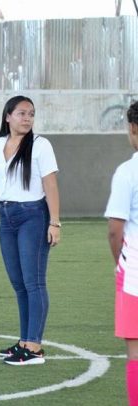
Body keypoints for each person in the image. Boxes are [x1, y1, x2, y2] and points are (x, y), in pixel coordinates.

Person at [0, 95, 60, 366]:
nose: (27, 119)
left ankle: (34, 347)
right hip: (7, 217)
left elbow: (51, 185)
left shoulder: (40, 145)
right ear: (8, 116)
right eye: (22, 113)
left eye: (31, 114)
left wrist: (54, 222)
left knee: (34, 282)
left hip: (33, 216)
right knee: (19, 283)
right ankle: (24, 341)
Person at [105, 101, 138, 405]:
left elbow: (115, 229)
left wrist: (120, 264)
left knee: (136, 351)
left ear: (132, 129)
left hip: (135, 272)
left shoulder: (128, 172)